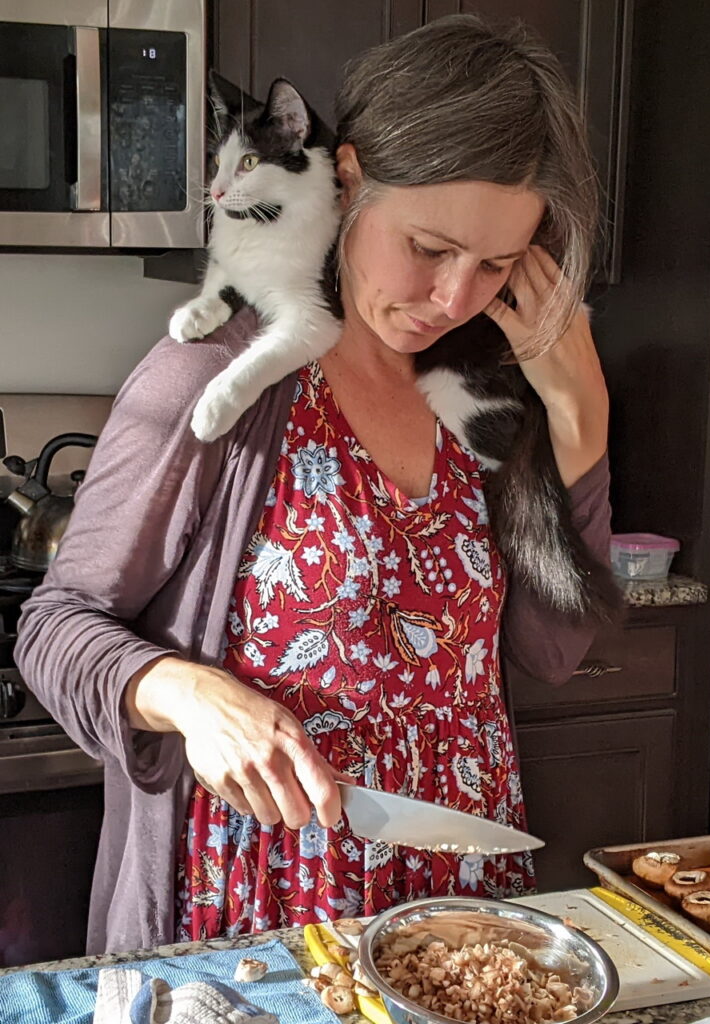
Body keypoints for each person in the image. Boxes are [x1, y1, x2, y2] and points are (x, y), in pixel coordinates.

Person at [16, 14, 612, 954]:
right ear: (347, 176)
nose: (455, 298)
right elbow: (53, 628)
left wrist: (581, 420)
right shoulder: (217, 382)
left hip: (459, 896)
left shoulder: (485, 394)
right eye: (428, 246)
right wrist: (181, 690)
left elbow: (550, 650)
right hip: (259, 908)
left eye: (495, 264)